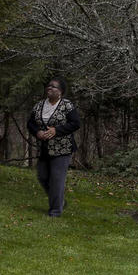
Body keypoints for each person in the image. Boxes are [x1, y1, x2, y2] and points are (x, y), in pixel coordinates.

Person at [26, 78, 81, 216]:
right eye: (49, 86)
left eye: (54, 87)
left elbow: (75, 123)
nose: (50, 88)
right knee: (43, 176)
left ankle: (55, 211)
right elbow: (30, 124)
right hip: (44, 148)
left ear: (61, 91)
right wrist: (37, 132)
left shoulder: (67, 105)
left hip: (63, 148)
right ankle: (59, 201)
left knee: (57, 179)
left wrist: (56, 130)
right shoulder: (39, 105)